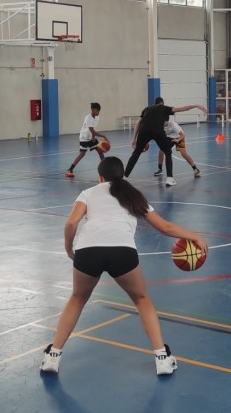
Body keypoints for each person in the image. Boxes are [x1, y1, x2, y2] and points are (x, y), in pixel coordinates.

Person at [40, 156, 207, 375]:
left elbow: (72, 222)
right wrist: (194, 235)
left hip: (88, 251)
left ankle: (53, 356)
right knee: (142, 299)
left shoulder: (88, 194)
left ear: (100, 177)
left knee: (77, 298)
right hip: (122, 251)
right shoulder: (133, 196)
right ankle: (162, 359)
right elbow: (165, 227)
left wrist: (70, 248)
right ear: (122, 175)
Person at [123, 97, 206, 187]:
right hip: (162, 134)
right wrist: (197, 105)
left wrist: (134, 139)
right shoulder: (164, 108)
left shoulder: (148, 110)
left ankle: (124, 176)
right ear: (162, 103)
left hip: (178, 138)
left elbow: (139, 123)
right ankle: (169, 177)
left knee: (136, 153)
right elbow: (182, 108)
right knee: (165, 152)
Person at [65, 103, 109, 178]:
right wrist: (104, 136)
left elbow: (93, 129)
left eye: (99, 111)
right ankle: (70, 169)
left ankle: (106, 170)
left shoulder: (97, 117)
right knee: (82, 154)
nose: (98, 113)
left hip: (91, 137)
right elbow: (92, 131)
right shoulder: (88, 118)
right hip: (84, 138)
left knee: (100, 151)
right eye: (97, 111)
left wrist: (93, 137)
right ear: (93, 110)